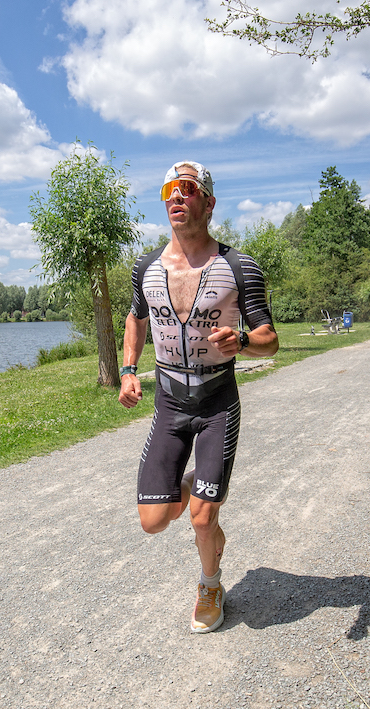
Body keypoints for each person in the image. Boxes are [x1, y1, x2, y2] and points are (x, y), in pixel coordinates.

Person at [118, 161, 278, 633]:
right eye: (169, 190)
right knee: (152, 521)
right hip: (168, 403)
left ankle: (211, 583)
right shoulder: (145, 267)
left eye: (187, 190)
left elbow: (271, 337)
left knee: (203, 520)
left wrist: (245, 342)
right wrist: (129, 370)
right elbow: (136, 319)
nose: (176, 198)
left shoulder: (239, 266)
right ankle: (190, 487)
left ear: (208, 202)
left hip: (216, 405)